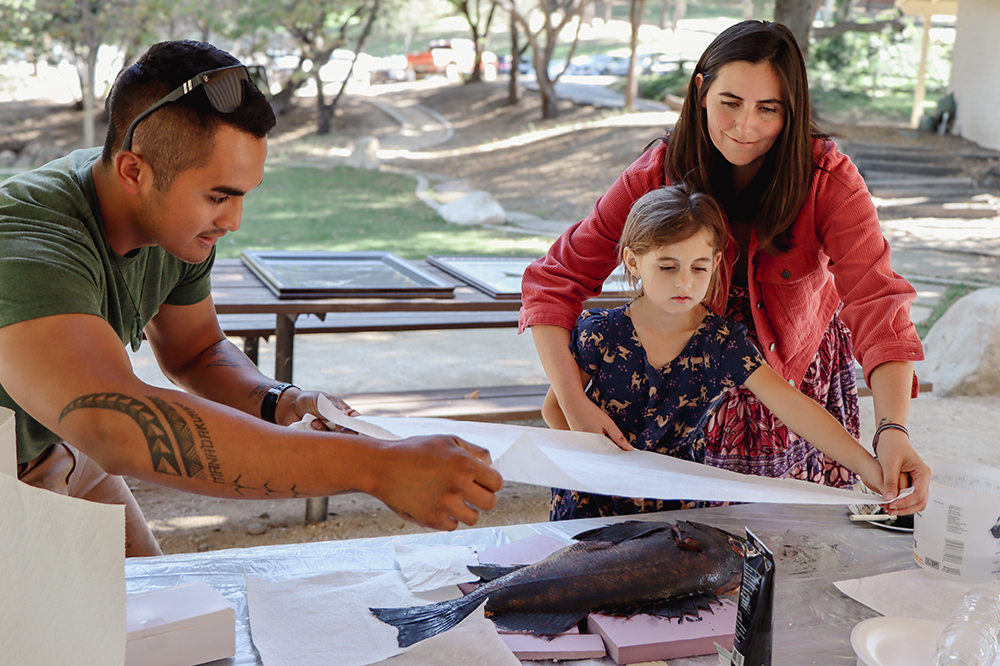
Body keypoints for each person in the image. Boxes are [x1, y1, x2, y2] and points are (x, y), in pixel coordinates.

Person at [0, 40, 502, 557]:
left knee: (157, 614)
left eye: (243, 195)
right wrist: (377, 467)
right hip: (32, 458)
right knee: (75, 633)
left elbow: (195, 351)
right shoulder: (26, 246)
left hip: (57, 448)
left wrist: (280, 402)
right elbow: (115, 425)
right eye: (218, 196)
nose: (233, 221)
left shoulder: (170, 221)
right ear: (133, 171)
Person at [519, 19, 929, 516]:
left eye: (768, 109)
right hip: (680, 371)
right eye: (729, 103)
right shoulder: (656, 171)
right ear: (701, 91)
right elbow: (556, 279)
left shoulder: (828, 181)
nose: (745, 127)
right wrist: (574, 404)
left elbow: (877, 304)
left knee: (777, 541)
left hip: (787, 372)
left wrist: (891, 430)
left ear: (792, 108)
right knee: (683, 539)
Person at [545, 184, 888, 520]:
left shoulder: (724, 344)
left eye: (699, 267)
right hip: (591, 502)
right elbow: (555, 408)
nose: (685, 282)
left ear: (716, 262)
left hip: (676, 506)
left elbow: (795, 407)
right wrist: (590, 470)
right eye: (667, 267)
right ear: (632, 261)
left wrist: (867, 465)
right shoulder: (600, 332)